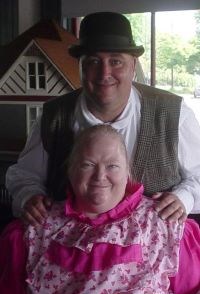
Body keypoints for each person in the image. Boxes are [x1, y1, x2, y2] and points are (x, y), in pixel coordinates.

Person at [6, 11, 200, 226]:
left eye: (116, 61)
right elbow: (24, 175)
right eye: (93, 62)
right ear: (79, 67)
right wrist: (29, 196)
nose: (104, 73)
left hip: (155, 254)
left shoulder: (175, 113)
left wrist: (185, 197)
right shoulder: (53, 117)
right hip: (73, 252)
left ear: (133, 67)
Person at [0, 125, 200, 294]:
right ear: (70, 171)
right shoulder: (35, 228)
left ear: (127, 172)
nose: (99, 176)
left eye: (112, 166)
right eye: (87, 165)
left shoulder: (164, 224)